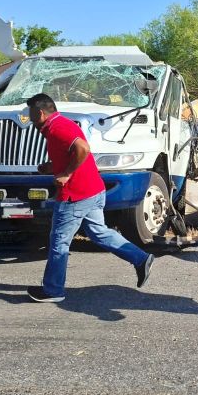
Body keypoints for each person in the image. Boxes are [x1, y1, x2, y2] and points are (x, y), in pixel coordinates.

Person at [25, 93, 154, 303]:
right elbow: (73, 152)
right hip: (93, 190)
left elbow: (83, 149)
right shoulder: (60, 124)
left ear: (40, 112)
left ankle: (53, 290)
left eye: (31, 114)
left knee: (59, 241)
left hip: (75, 195)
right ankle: (141, 258)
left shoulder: (57, 127)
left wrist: (66, 173)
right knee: (99, 232)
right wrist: (52, 167)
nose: (29, 119)